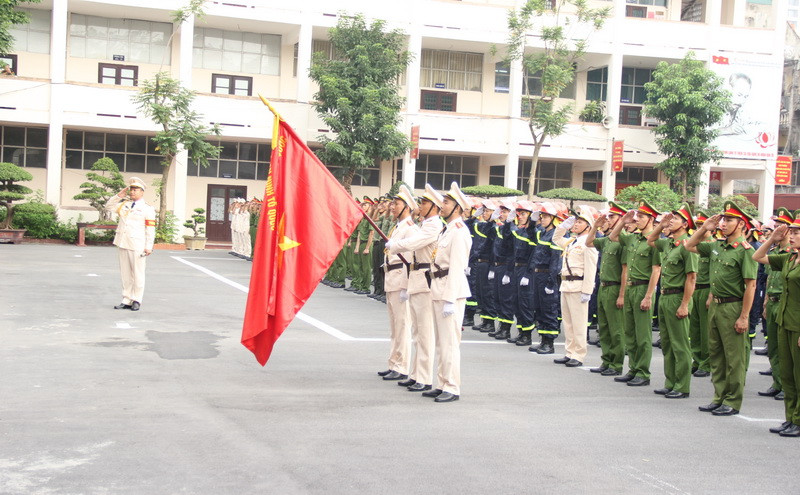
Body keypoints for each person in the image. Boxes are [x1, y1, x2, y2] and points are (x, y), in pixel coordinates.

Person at [686, 201, 757, 416]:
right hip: (715, 306)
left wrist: (744, 316)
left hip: (733, 306)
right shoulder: (717, 246)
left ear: (742, 224)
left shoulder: (745, 251)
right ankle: (719, 396)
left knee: (734, 357)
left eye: (729, 220)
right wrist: (705, 227)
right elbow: (689, 245)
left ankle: (733, 401)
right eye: (724, 219)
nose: (724, 224)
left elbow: (751, 285)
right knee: (716, 355)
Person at [387, 184, 444, 393]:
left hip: (425, 282)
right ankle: (416, 374)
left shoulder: (433, 226)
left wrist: (394, 245)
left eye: (425, 203)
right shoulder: (426, 224)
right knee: (417, 331)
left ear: (435, 207)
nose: (421, 205)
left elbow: (414, 243)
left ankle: (424, 377)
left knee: (425, 333)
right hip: (416, 279)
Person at [421, 182, 472, 402]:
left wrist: (450, 299)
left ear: (458, 208)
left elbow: (457, 267)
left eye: (447, 202)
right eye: (443, 201)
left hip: (450, 292)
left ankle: (452, 387)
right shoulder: (447, 230)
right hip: (438, 289)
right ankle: (442, 382)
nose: (442, 205)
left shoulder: (459, 232)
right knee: (441, 342)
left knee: (450, 342)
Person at [753, 211, 800, 436]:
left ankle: (799, 420)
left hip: (798, 324)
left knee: (799, 375)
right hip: (783, 320)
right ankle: (790, 418)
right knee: (788, 375)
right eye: (791, 232)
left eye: (797, 232)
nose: (792, 236)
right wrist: (772, 239)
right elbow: (758, 257)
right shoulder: (790, 258)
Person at [647, 204, 698, 399]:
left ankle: (682, 385)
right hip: (665, 296)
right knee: (667, 343)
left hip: (678, 296)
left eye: (675, 219)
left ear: (685, 224)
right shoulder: (668, 243)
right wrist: (661, 225)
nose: (671, 222)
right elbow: (651, 239)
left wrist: (685, 304)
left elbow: (691, 278)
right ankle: (670, 382)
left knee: (680, 344)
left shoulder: (687, 246)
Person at [609, 201, 662, 387]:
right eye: (636, 216)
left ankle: (643, 372)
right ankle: (632, 368)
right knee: (630, 332)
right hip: (630, 287)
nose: (637, 219)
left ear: (651, 219)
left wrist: (648, 296)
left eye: (641, 216)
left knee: (643, 334)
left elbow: (656, 270)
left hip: (642, 288)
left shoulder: (653, 242)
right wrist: (623, 221)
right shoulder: (633, 238)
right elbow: (613, 236)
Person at [376, 186, 417, 381]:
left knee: (402, 326)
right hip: (391, 279)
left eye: (397, 204)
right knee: (394, 327)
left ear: (407, 207)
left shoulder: (411, 229)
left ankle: (401, 366)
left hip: (400, 280)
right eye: (393, 203)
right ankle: (393, 363)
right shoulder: (398, 227)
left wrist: (406, 286)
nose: (393, 207)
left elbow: (410, 261)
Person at [552, 205, 599, 367]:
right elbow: (556, 239)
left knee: (578, 324)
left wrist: (587, 290)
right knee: (568, 323)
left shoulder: (588, 243)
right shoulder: (572, 241)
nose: (576, 224)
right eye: (576, 221)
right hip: (566, 285)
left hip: (579, 286)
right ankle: (569, 352)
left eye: (580, 222)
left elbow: (591, 268)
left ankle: (578, 355)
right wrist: (563, 226)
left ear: (588, 226)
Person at [586, 201, 627, 376]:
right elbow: (589, 242)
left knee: (616, 329)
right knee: (604, 327)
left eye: (612, 216)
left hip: (615, 287)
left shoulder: (622, 240)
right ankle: (606, 360)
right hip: (603, 287)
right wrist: (595, 226)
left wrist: (622, 295)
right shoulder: (608, 240)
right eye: (608, 216)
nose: (608, 219)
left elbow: (625, 270)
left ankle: (616, 364)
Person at [757, 209, 794, 400]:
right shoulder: (775, 251)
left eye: (782, 227)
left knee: (784, 348)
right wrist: (765, 302)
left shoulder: (790, 254)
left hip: (785, 304)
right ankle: (777, 382)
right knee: (773, 345)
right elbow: (771, 277)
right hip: (772, 301)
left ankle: (784, 384)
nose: (777, 230)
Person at [106, 177, 156, 311]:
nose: (132, 192)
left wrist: (149, 246)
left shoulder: (147, 209)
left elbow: (150, 229)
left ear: (142, 192)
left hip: (137, 244)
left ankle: (137, 299)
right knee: (125, 274)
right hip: (123, 242)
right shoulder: (125, 204)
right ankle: (126, 298)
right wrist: (118, 196)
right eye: (131, 189)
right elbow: (108, 207)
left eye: (136, 190)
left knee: (138, 273)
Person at [529, 202, 563, 355]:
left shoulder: (556, 235)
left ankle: (549, 343)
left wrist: (551, 282)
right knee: (539, 309)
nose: (542, 219)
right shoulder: (543, 233)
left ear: (555, 219)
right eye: (542, 216)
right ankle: (543, 339)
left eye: (546, 216)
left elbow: (555, 261)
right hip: (538, 275)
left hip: (547, 276)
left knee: (549, 309)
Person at [508, 200, 539, 347]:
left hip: (526, 270)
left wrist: (527, 274)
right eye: (519, 214)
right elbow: (507, 241)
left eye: (523, 214)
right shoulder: (519, 231)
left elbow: (534, 255)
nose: (520, 216)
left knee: (525, 303)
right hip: (516, 269)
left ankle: (527, 335)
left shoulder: (533, 232)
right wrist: (509, 222)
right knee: (516, 302)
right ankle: (521, 331)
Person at [689, 211, 713, 378]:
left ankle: (706, 363)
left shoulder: (713, 246)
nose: (700, 230)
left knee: (706, 330)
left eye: (702, 227)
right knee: (695, 329)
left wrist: (712, 293)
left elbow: (716, 273)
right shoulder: (698, 248)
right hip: (696, 289)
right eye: (697, 227)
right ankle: (697, 360)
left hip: (707, 289)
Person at [487, 200, 517, 340]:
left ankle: (506, 329)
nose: (502, 214)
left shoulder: (513, 229)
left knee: (506, 299)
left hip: (507, 266)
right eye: (502, 211)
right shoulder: (500, 228)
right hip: (497, 265)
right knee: (497, 297)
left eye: (505, 212)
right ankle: (501, 326)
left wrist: (508, 272)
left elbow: (512, 251)